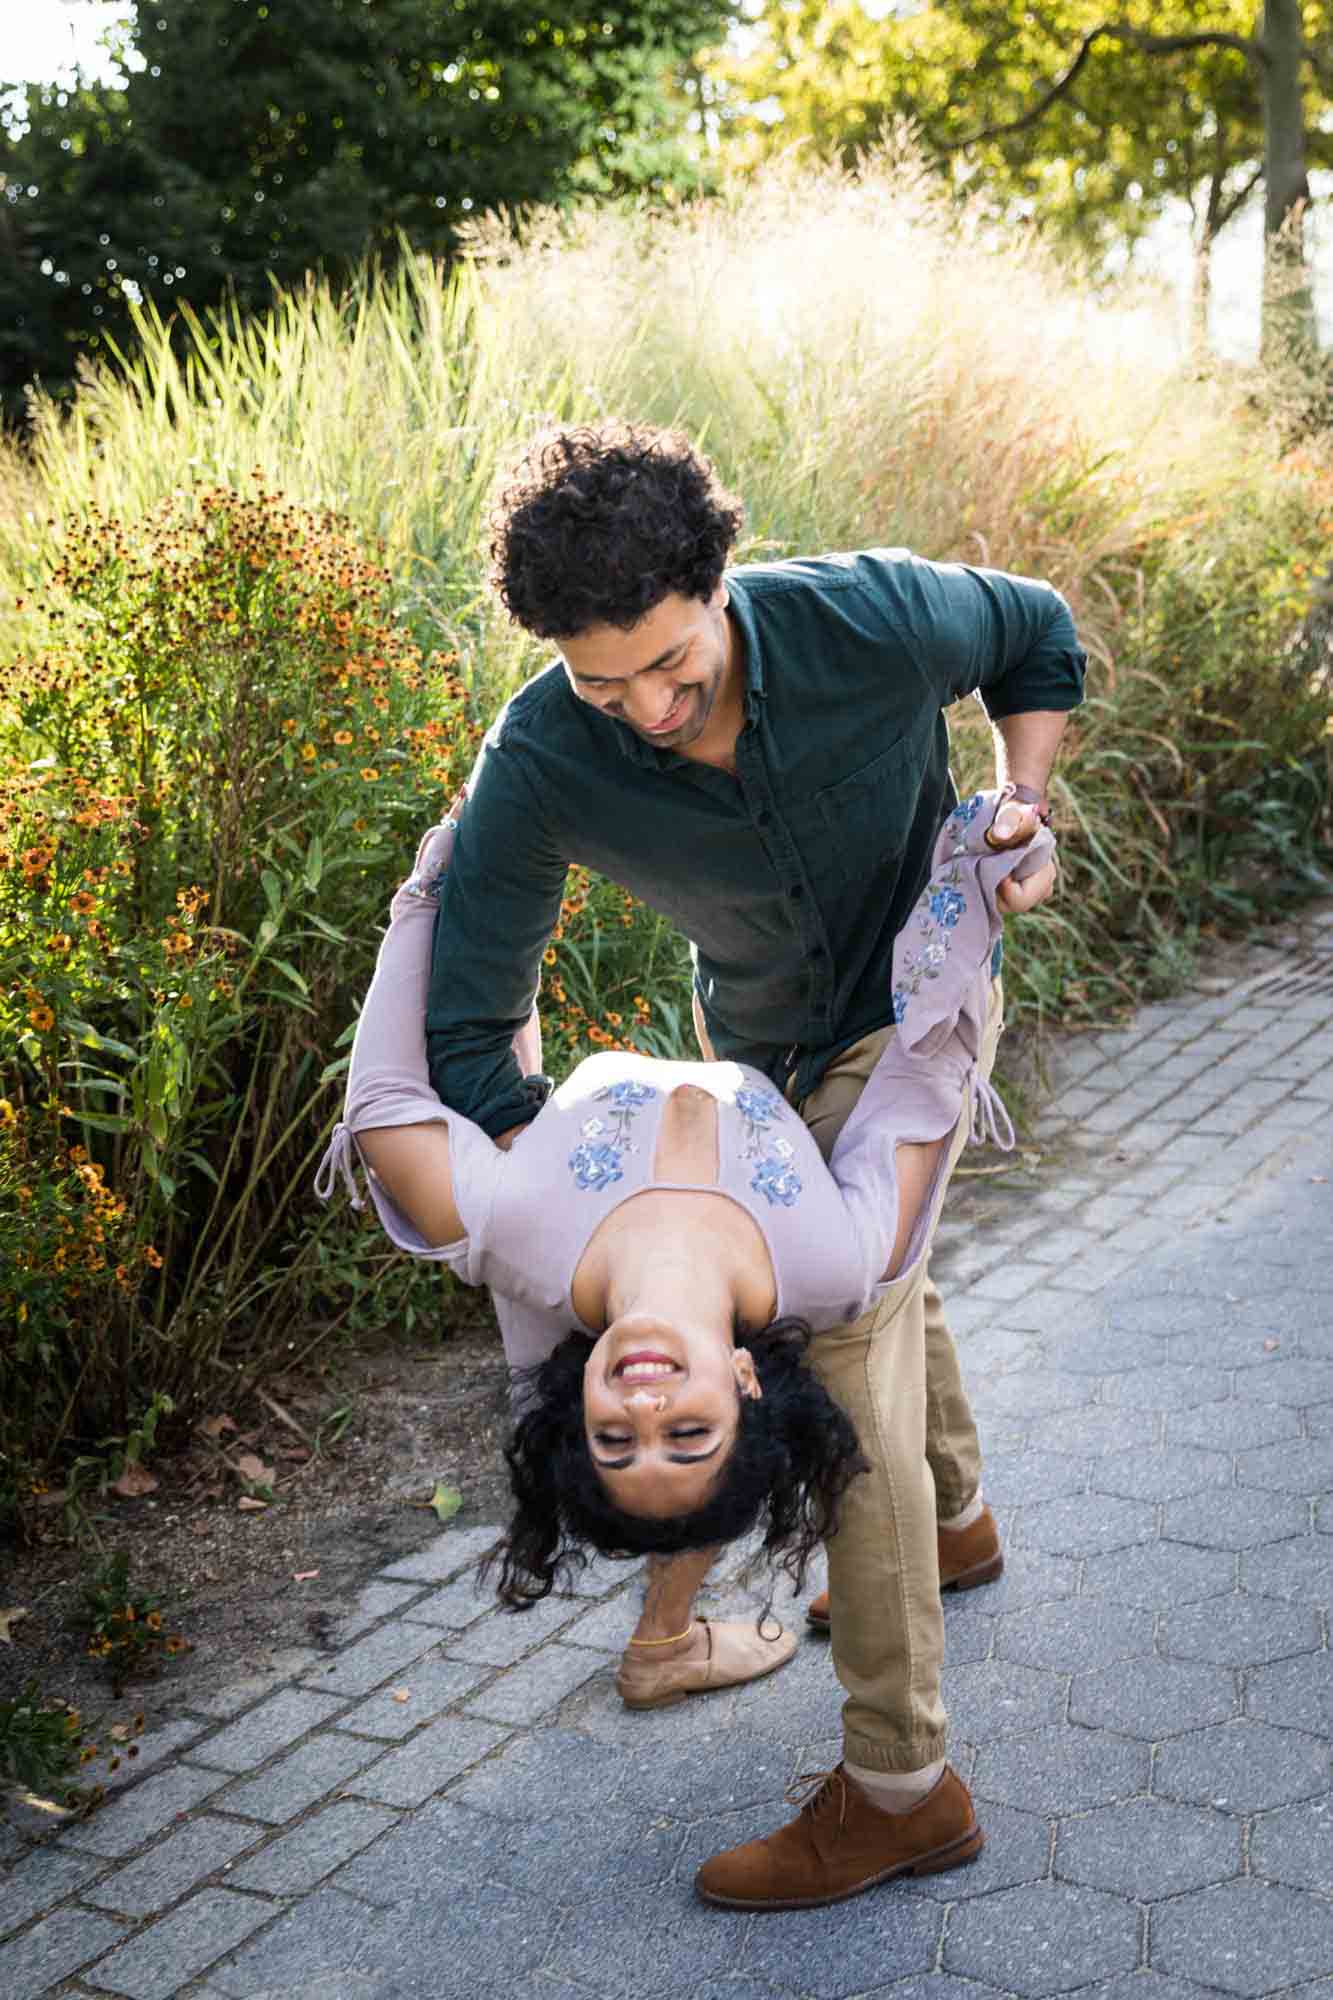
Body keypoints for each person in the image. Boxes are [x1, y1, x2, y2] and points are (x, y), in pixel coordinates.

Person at [366, 419, 1080, 1907]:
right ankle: (957, 1524)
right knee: (868, 1266)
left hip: (918, 998)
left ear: (720, 586)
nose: (643, 705)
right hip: (745, 1051)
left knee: (850, 1337)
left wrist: (1024, 802)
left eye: (669, 662)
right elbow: (467, 1033)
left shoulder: (866, 618)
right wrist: (594, 1177)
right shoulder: (545, 750)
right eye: (599, 679)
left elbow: (1036, 632)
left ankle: (900, 1781)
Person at [316, 793, 1053, 1718]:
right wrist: (974, 875)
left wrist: (440, 883)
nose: (645, 1405)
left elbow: (383, 1105)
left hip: (602, 991)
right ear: (744, 1382)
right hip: (768, 1015)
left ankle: (712, 1622)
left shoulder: (505, 1234)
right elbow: (919, 1081)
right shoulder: (831, 1266)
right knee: (897, 1305)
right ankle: (948, 1535)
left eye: (614, 1435)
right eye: (685, 1431)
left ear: (580, 1404)